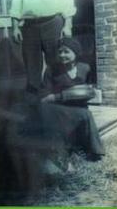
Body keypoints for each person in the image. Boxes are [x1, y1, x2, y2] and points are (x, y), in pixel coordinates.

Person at [35, 37, 105, 171]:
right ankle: (62, 159)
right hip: (57, 108)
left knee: (86, 114)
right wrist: (62, 96)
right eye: (59, 52)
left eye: (66, 52)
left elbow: (90, 90)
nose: (62, 55)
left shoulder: (85, 68)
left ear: (76, 52)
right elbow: (44, 98)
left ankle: (95, 153)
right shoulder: (51, 70)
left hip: (78, 107)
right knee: (78, 115)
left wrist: (85, 92)